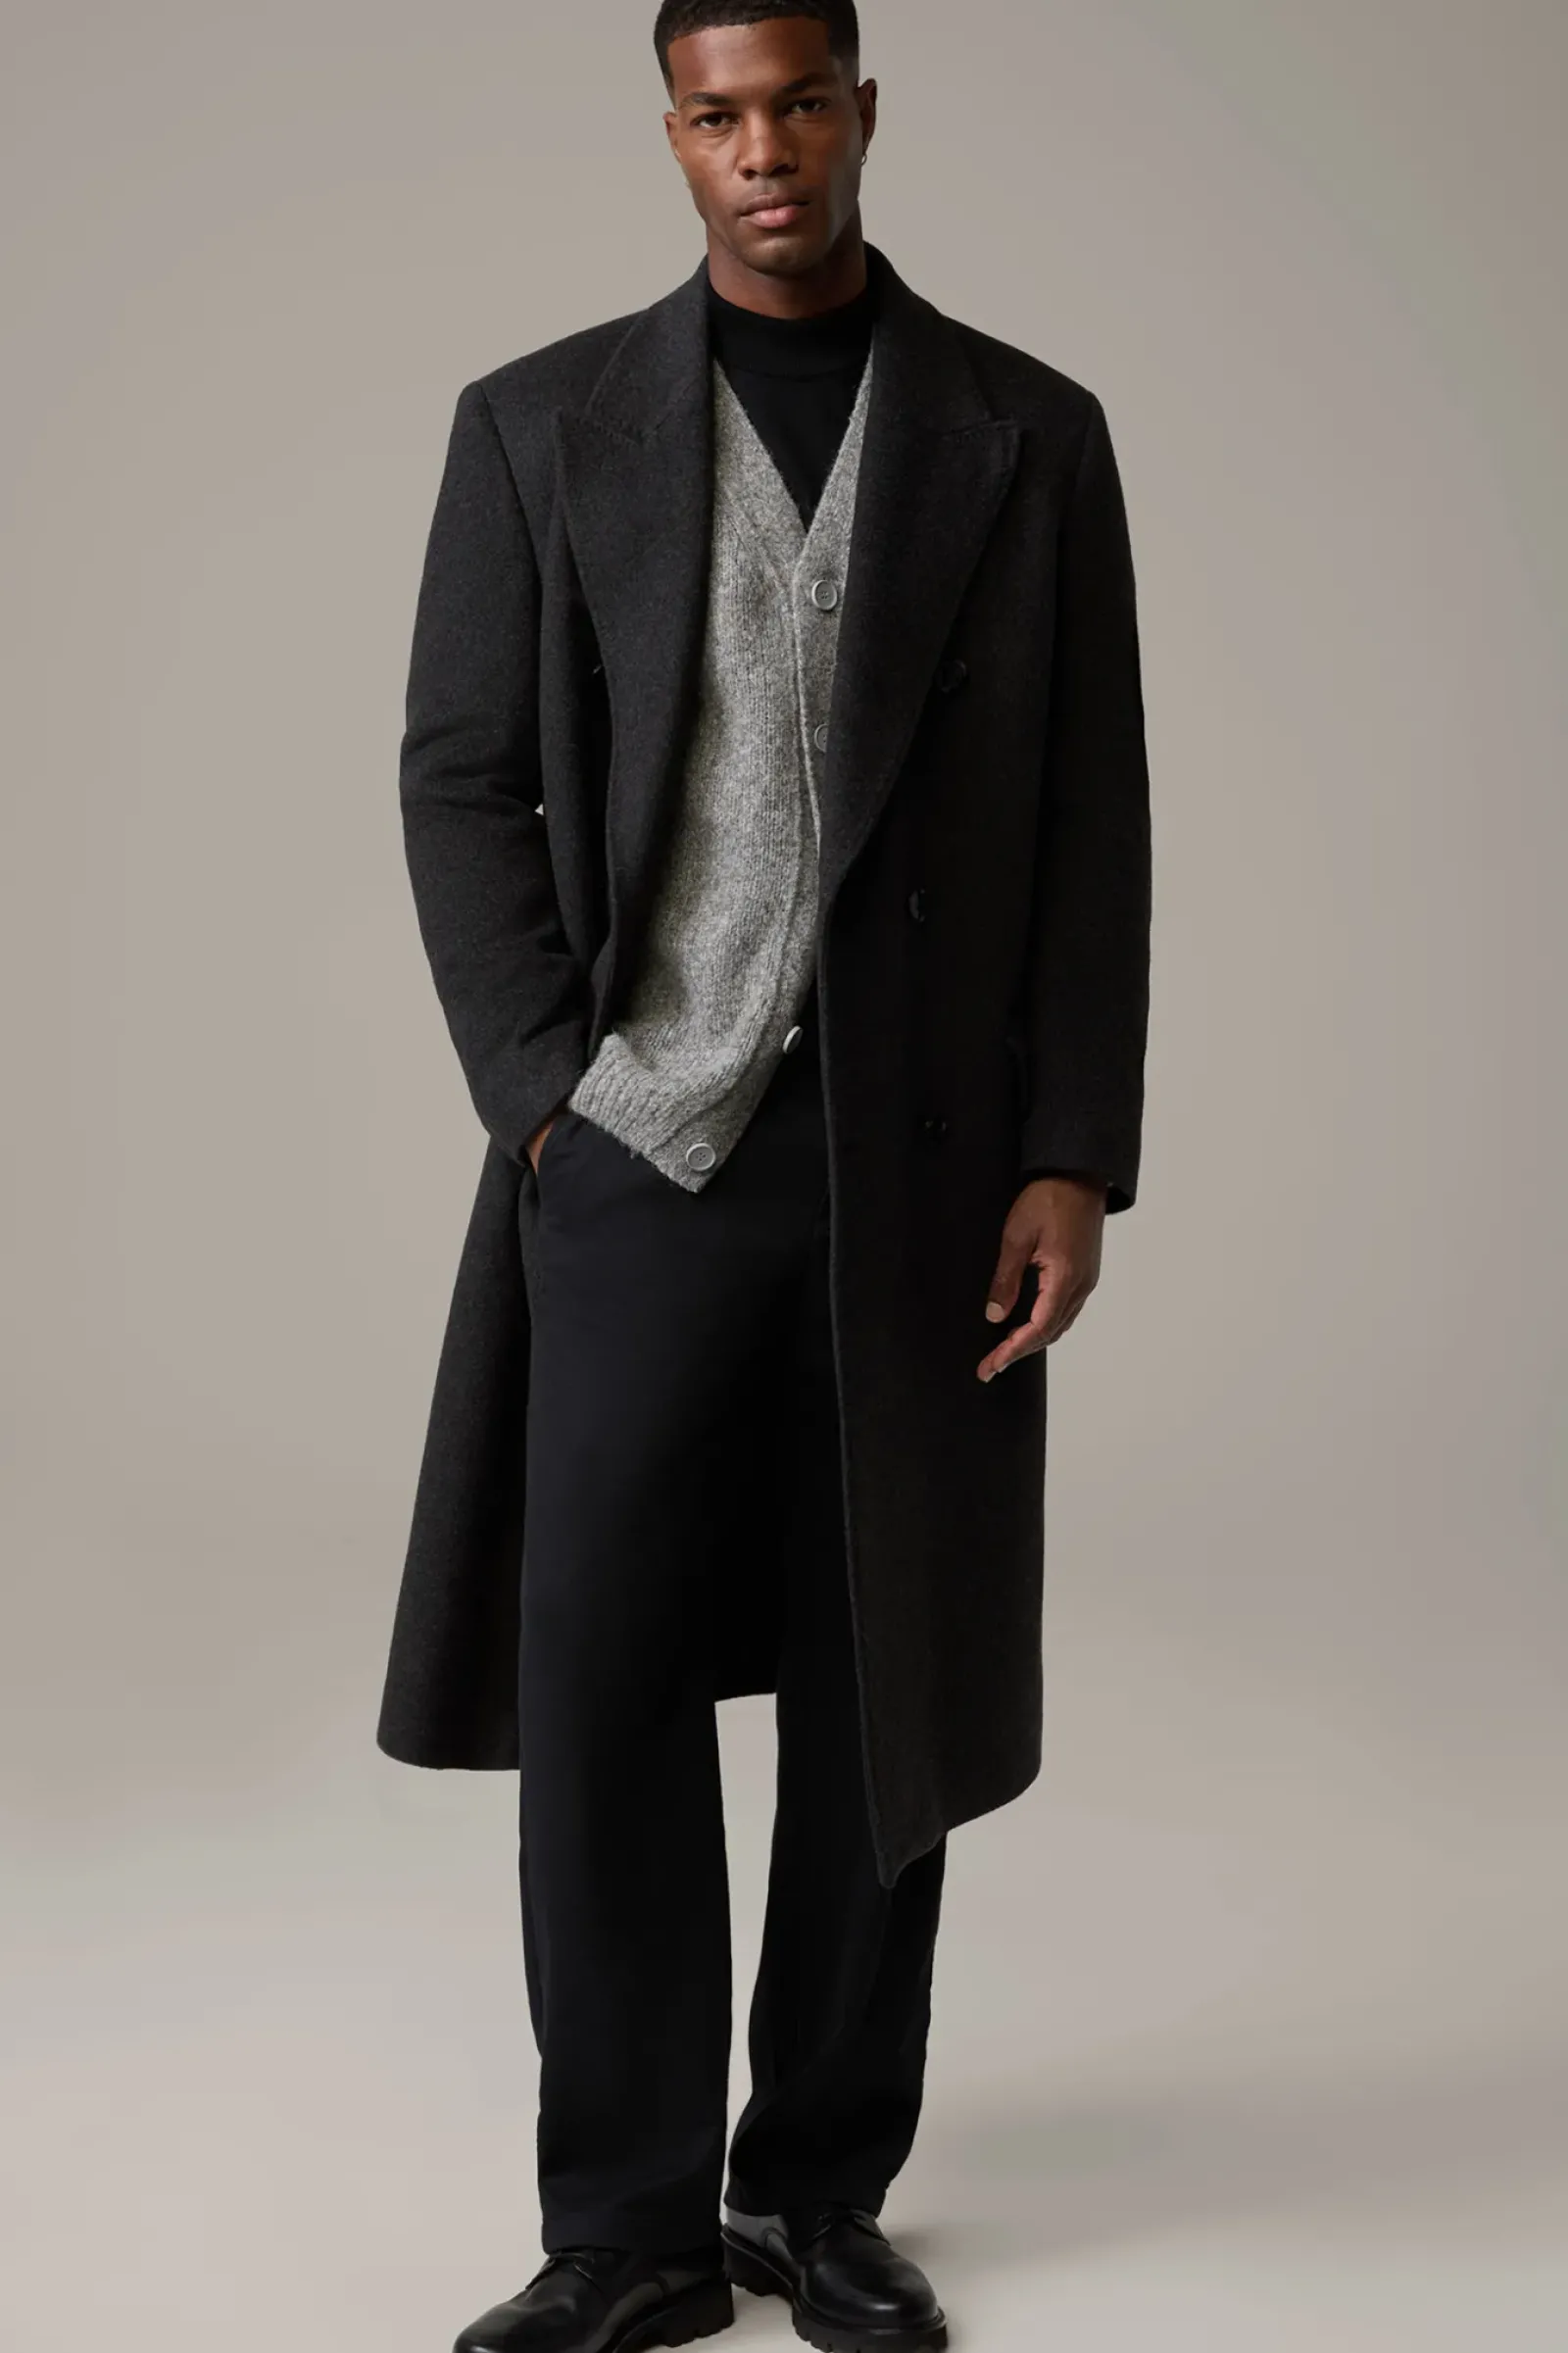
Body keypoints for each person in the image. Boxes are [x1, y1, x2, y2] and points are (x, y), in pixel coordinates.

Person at [375, 4, 1152, 2347]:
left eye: (797, 104)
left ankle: (816, 2190)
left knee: (871, 1680)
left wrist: (1066, 1152)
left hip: (920, 1171)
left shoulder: (1023, 433)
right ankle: (624, 2230)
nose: (762, 151)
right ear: (672, 135)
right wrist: (545, 1090)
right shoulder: (537, 425)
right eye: (715, 117)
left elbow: (1090, 817)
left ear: (858, 113)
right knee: (602, 1677)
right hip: (636, 1151)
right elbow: (460, 774)